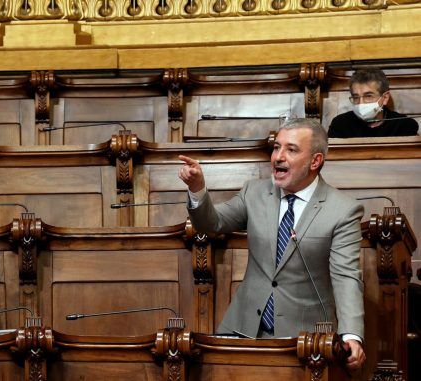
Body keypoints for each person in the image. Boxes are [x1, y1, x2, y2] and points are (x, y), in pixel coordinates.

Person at [179, 118, 365, 371]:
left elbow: (346, 276)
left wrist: (351, 334)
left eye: (291, 149)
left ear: (315, 161)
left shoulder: (342, 210)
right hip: (242, 329)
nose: (278, 156)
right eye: (276, 147)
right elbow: (211, 224)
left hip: (304, 341)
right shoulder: (254, 192)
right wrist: (198, 188)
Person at [328, 68, 418, 138]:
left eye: (368, 96)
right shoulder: (340, 125)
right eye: (356, 97)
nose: (361, 103)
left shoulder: (404, 125)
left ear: (385, 98)